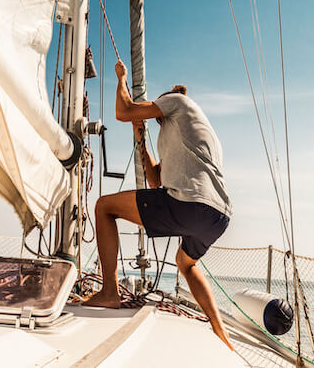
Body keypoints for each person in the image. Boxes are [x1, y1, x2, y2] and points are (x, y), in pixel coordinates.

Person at [83, 59, 234, 351]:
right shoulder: (193, 136)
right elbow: (155, 179)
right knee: (185, 264)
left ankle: (110, 292)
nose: (154, 116)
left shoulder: (177, 102)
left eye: (155, 112)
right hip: (218, 216)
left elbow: (123, 110)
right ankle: (220, 332)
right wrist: (140, 135)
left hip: (189, 204)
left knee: (104, 207)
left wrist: (121, 78)